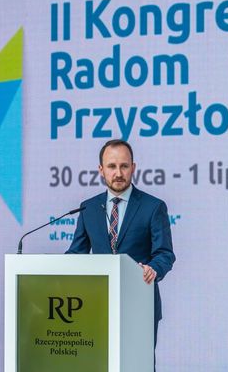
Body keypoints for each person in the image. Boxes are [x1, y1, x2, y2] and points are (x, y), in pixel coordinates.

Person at [66, 139, 176, 353]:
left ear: (133, 168)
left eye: (124, 166)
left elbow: (165, 253)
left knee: (139, 364)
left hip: (140, 304)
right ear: (101, 170)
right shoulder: (88, 208)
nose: (118, 173)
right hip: (96, 305)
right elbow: (76, 253)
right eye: (112, 166)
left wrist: (154, 269)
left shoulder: (153, 207)